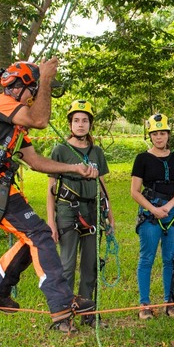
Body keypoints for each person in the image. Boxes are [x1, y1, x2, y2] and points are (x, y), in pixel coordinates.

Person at [0, 59, 99, 332]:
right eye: (32, 92)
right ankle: (62, 304)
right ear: (19, 88)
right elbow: (40, 120)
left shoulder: (14, 126)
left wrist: (73, 168)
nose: (31, 99)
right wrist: (48, 80)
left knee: (34, 236)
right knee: (40, 235)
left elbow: (36, 162)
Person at [46, 100, 114, 323]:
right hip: (67, 210)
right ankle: (62, 315)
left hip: (92, 210)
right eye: (76, 120)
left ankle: (88, 314)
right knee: (66, 265)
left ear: (90, 124)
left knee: (90, 265)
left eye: (85, 120)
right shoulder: (61, 151)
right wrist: (51, 221)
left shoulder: (97, 152)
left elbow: (103, 187)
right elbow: (50, 189)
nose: (81, 125)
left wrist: (110, 216)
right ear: (70, 124)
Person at [130, 113, 174, 320]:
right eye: (155, 133)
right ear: (150, 135)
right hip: (150, 210)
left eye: (162, 133)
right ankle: (144, 304)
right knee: (147, 257)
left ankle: (169, 302)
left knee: (170, 259)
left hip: (171, 211)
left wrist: (170, 206)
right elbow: (135, 191)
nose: (159, 137)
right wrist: (154, 209)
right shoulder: (142, 159)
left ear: (168, 135)